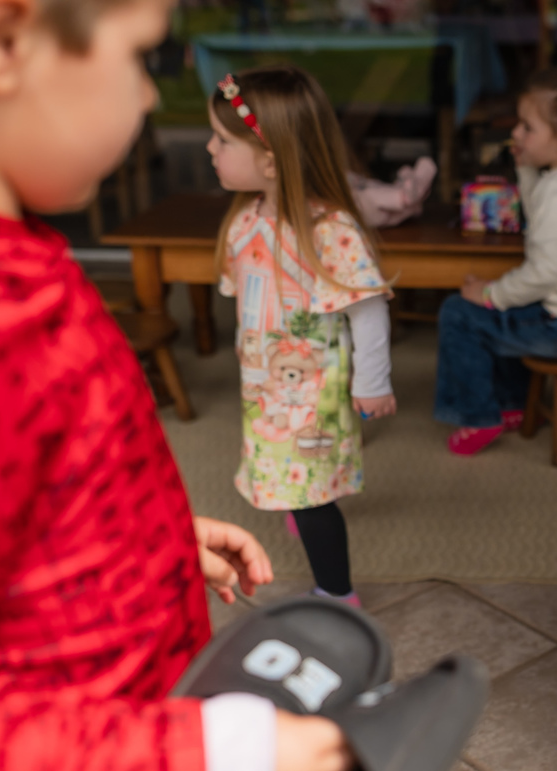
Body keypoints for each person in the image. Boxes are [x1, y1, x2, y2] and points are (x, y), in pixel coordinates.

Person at [0, 0, 352, 771]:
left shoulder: (21, 260)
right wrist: (210, 762)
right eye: (139, 58)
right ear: (6, 43)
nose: (149, 99)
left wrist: (144, 537)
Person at [209, 65, 395, 608]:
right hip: (266, 389)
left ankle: (337, 596)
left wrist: (373, 382)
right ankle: (299, 501)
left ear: (269, 159)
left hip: (312, 398)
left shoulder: (328, 230)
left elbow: (366, 310)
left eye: (222, 141)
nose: (209, 150)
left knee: (313, 500)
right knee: (291, 480)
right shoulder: (245, 222)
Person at [434, 66, 557, 455]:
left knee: (458, 312)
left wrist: (489, 294)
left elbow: (542, 273)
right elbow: (541, 214)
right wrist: (526, 167)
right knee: (512, 305)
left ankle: (479, 416)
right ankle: (514, 404)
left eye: (527, 127)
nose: (516, 133)